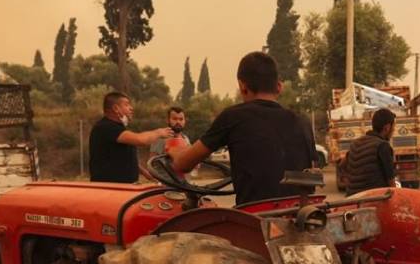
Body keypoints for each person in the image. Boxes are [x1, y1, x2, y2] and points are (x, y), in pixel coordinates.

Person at [171, 52, 315, 206]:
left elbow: (182, 165)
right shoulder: (303, 122)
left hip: (254, 220)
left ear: (242, 86)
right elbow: (311, 172)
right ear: (279, 87)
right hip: (299, 217)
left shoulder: (233, 117)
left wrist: (175, 151)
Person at [88, 92, 172, 183]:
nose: (131, 108)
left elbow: (125, 158)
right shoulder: (106, 127)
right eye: (127, 105)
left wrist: (146, 174)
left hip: (125, 186)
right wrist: (159, 132)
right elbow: (141, 140)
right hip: (110, 188)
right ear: (116, 108)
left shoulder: (118, 128)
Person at [344, 108, 396, 193]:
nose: (394, 130)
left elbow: (342, 164)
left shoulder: (355, 143)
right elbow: (391, 182)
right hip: (373, 199)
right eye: (393, 127)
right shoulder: (383, 146)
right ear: (387, 128)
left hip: (352, 197)